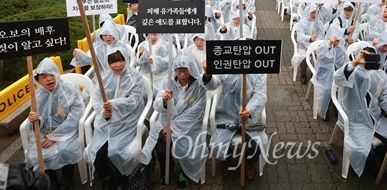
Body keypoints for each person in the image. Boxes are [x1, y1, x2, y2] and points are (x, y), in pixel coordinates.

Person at [333, 45, 387, 187]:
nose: (369, 59)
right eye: (366, 56)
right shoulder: (352, 72)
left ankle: (386, 163)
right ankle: (369, 163)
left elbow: (385, 97)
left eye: (373, 56)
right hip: (355, 120)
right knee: (362, 152)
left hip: (376, 119)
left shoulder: (379, 74)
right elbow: (338, 78)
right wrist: (356, 62)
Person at [140, 52, 207, 189]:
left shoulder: (199, 85)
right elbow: (157, 105)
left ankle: (184, 172)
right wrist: (164, 100)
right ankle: (167, 169)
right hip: (166, 122)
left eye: (185, 70)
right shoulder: (168, 82)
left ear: (191, 69)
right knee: (161, 148)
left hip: (189, 127)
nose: (182, 75)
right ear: (175, 70)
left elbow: (194, 113)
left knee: (187, 148)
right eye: (178, 70)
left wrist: (173, 127)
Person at [84, 47, 145, 190]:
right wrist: (103, 112)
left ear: (126, 59)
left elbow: (134, 102)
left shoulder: (135, 77)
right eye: (113, 62)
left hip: (127, 120)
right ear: (108, 63)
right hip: (107, 122)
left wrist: (114, 105)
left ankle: (122, 177)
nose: (118, 65)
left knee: (115, 151)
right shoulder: (103, 78)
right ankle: (106, 177)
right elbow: (97, 100)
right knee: (97, 152)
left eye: (120, 60)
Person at [25, 58, 84, 190]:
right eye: (43, 76)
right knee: (38, 153)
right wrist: (35, 120)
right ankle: (51, 177)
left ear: (57, 74)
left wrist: (56, 136)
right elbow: (34, 125)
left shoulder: (69, 90)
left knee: (67, 149)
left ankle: (67, 175)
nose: (48, 79)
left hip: (67, 130)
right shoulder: (37, 96)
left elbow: (76, 115)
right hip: (44, 132)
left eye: (51, 74)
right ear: (38, 80)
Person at [201, 67, 268, 181]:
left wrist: (249, 110)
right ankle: (226, 159)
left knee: (255, 146)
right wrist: (208, 75)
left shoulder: (258, 68)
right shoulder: (226, 63)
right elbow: (213, 84)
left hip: (248, 117)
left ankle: (250, 162)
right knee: (218, 145)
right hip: (226, 116)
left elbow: (260, 95)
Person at [314, 26, 346, 120]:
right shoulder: (324, 46)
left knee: (343, 89)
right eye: (334, 40)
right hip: (324, 75)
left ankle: (338, 110)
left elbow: (345, 62)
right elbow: (320, 55)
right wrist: (329, 44)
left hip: (337, 74)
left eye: (337, 41)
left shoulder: (341, 49)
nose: (335, 43)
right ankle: (324, 109)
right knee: (328, 89)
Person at [294, 4, 325, 85]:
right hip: (303, 46)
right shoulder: (302, 22)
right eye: (312, 12)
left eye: (316, 12)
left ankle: (314, 72)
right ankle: (303, 74)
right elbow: (300, 36)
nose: (314, 14)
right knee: (304, 57)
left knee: (321, 56)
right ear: (308, 12)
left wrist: (315, 44)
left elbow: (321, 35)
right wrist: (309, 39)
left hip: (315, 46)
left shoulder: (319, 23)